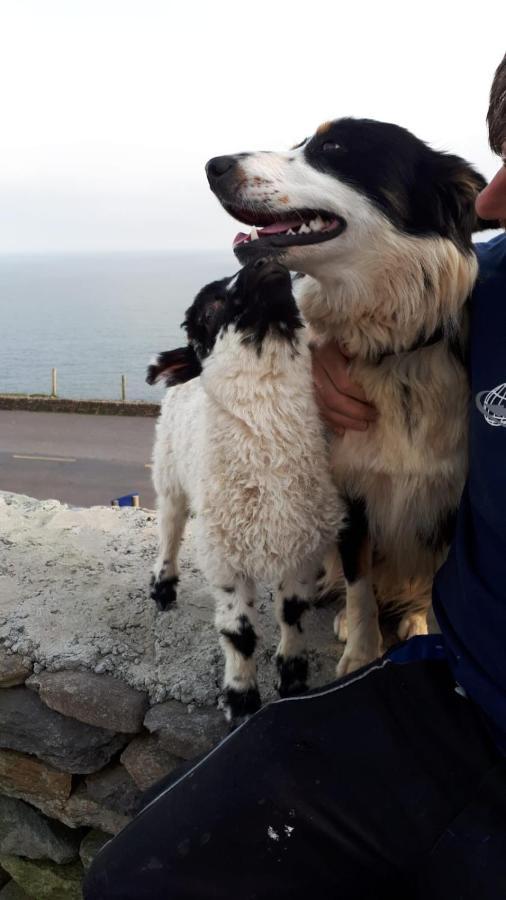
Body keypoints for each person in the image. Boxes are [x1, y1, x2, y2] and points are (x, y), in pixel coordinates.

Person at [84, 56, 506, 900]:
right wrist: (307, 353)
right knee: (135, 879)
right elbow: (375, 277)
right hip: (453, 697)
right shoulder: (478, 288)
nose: (491, 202)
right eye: (498, 161)